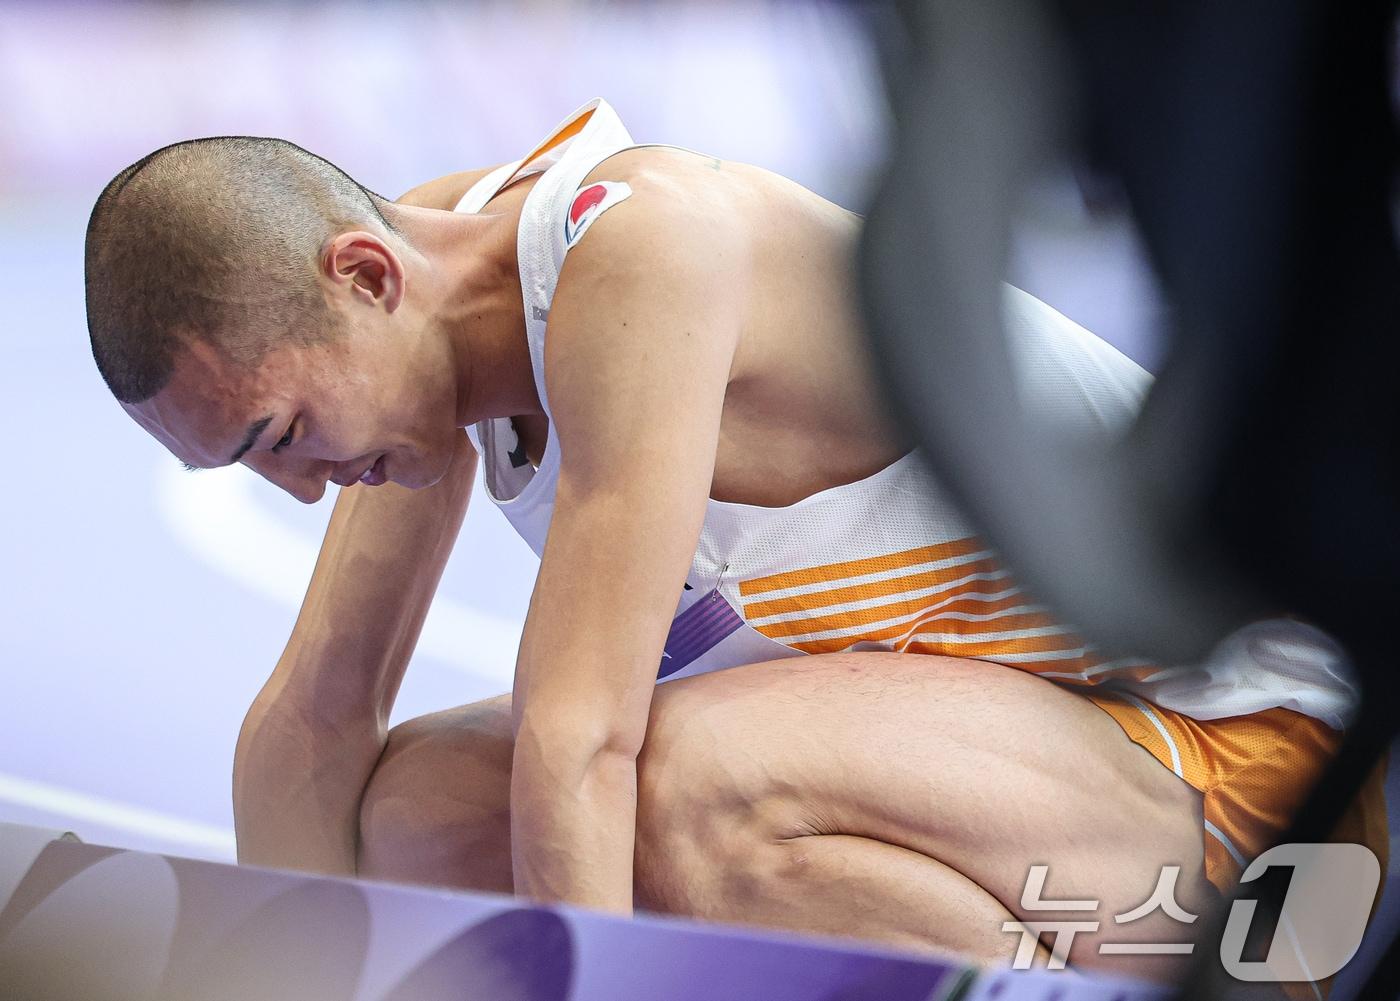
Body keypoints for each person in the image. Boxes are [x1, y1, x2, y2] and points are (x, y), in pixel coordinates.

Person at [84, 99, 1385, 984]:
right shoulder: (421, 293)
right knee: (411, 825)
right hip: (1036, 773)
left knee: (683, 780)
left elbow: (582, 735)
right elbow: (313, 716)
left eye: (280, 435)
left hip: (1274, 822)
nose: (305, 492)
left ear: (367, 276)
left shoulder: (646, 251)